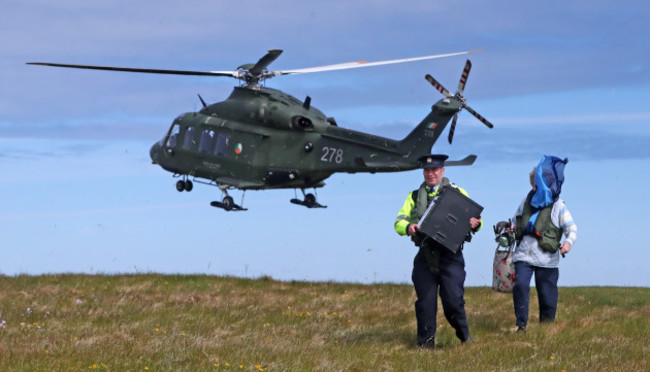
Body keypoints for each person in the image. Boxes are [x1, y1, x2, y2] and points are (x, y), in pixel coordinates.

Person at [394, 154, 482, 348]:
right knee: (425, 303)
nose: (430, 173)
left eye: (434, 170)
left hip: (451, 256)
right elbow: (398, 221)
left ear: (442, 171)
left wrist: (476, 224)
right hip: (425, 256)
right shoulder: (414, 196)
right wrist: (408, 227)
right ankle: (426, 345)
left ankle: (465, 337)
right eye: (427, 170)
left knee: (453, 302)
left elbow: (476, 219)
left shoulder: (458, 192)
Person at [506, 155, 577, 333]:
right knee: (521, 285)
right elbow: (516, 221)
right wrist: (509, 228)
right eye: (537, 184)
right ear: (533, 184)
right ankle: (521, 325)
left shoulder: (559, 206)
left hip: (547, 260)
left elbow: (572, 228)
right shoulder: (526, 201)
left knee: (547, 295)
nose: (540, 187)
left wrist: (568, 243)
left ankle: (546, 329)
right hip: (523, 255)